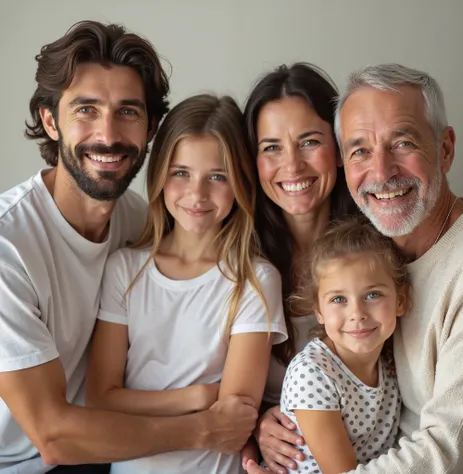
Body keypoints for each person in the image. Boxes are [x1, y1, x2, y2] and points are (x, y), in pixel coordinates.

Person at [0, 21, 257, 474]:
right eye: (86, 109)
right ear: (50, 121)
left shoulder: (140, 221)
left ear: (152, 128)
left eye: (128, 112)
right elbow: (53, 437)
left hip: (107, 448)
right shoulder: (9, 245)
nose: (109, 134)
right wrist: (205, 428)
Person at [86, 93, 288, 474]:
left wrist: (138, 403)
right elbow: (99, 398)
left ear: (240, 183)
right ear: (160, 174)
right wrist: (197, 396)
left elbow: (234, 420)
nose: (197, 194)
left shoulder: (254, 281)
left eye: (217, 177)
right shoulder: (125, 270)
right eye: (181, 173)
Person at [332, 63, 463, 473]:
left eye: (403, 143)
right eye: (360, 150)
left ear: (445, 149)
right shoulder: (368, 255)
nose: (380, 172)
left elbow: (446, 453)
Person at [242, 63, 358, 473]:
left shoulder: (378, 251)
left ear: (340, 148)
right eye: (271, 147)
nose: (291, 166)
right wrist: (257, 427)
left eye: (309, 141)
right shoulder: (239, 261)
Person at [279, 217, 408, 473]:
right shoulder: (312, 373)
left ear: (401, 301)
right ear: (318, 311)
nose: (356, 313)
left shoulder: (392, 360)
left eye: (372, 295)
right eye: (339, 299)